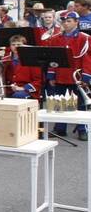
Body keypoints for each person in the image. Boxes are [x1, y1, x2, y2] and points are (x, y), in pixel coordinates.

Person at [44, 11, 90, 140]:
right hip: (61, 74)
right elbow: (52, 59)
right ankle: (60, 128)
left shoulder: (84, 38)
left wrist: (86, 76)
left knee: (80, 104)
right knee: (59, 101)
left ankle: (82, 129)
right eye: (64, 21)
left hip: (77, 75)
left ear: (77, 22)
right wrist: (52, 75)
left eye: (69, 21)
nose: (66, 23)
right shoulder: (55, 38)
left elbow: (87, 58)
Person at [3, 34, 41, 99]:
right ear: (10, 46)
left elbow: (38, 81)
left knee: (17, 95)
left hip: (27, 91)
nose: (16, 47)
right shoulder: (6, 60)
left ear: (24, 46)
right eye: (13, 44)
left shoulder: (31, 60)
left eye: (19, 44)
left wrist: (23, 88)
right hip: (10, 89)